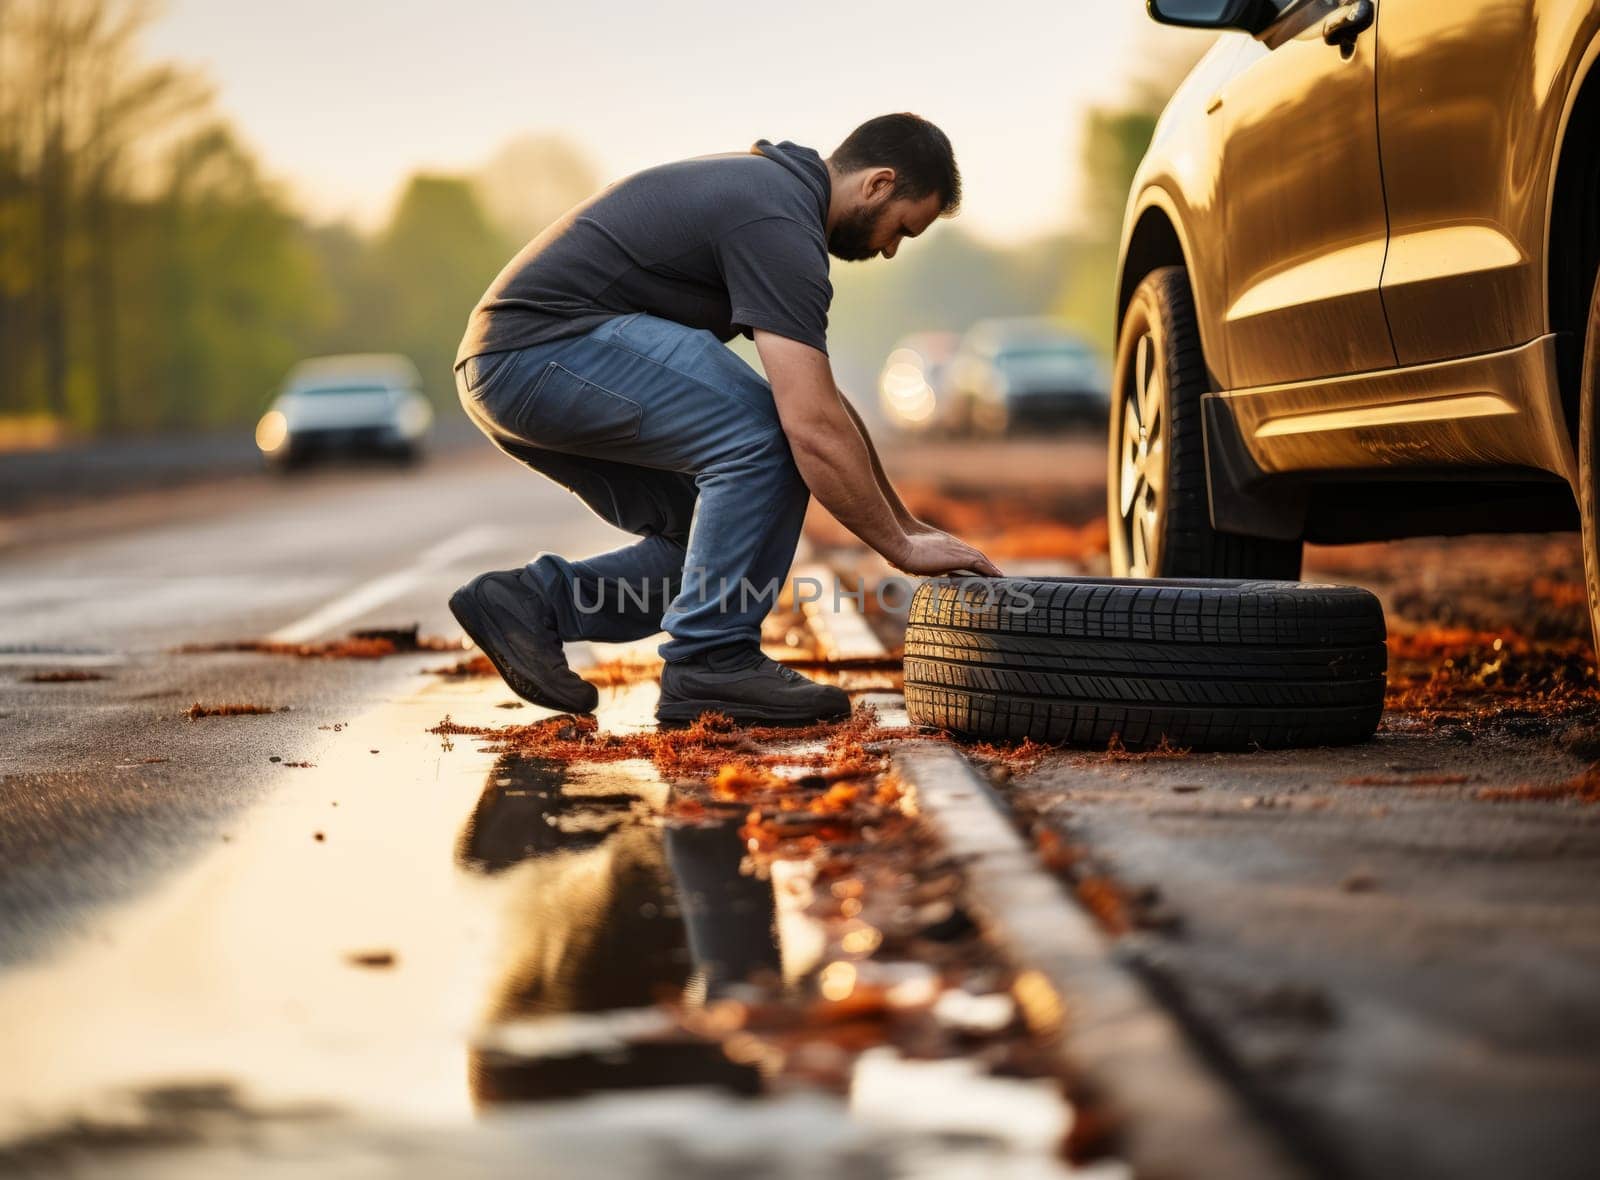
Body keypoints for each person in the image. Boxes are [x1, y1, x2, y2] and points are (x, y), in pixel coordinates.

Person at [450, 113, 1000, 726]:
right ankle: (712, 660)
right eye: (902, 229)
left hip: (514, 369)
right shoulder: (778, 219)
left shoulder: (774, 200)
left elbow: (823, 402)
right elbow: (808, 427)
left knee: (714, 542)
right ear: (877, 184)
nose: (891, 249)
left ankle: (529, 605)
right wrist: (896, 548)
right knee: (767, 441)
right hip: (542, 352)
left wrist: (908, 523)